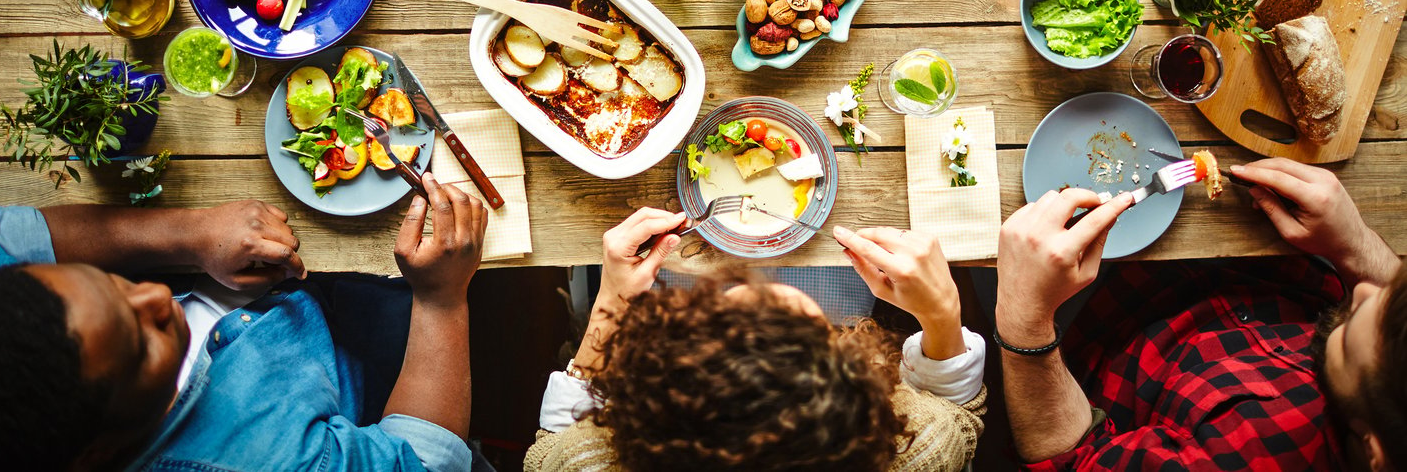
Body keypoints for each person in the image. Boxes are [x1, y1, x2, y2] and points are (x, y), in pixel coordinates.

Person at [0, 176, 488, 472]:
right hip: (379, 353)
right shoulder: (268, 461)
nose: (158, 295)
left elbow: (9, 240)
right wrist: (441, 299)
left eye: (109, 282)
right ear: (95, 454)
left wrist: (189, 233)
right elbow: (423, 458)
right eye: (141, 345)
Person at [995, 159, 1406, 470]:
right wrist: (1357, 245)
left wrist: (1024, 317)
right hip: (1269, 272)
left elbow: (1072, 462)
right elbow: (1382, 287)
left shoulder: (1249, 458)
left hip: (1096, 327)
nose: (1367, 289)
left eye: (1352, 330)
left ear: (1374, 449)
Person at [525, 208, 985, 472]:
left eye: (716, 313)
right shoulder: (921, 452)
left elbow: (548, 449)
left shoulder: (584, 464)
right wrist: (941, 312)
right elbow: (958, 413)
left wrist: (611, 303)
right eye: (822, 330)